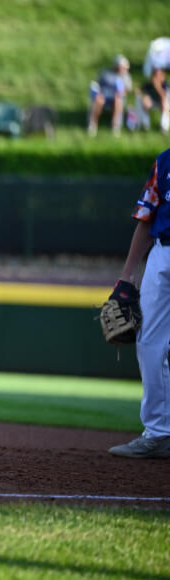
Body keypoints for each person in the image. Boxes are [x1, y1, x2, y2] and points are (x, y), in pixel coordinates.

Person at [108, 148, 170, 459]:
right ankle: (159, 433)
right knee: (149, 342)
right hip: (162, 252)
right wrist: (128, 274)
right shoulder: (165, 161)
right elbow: (147, 217)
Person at [87, 55, 132, 137]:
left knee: (118, 100)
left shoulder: (126, 77)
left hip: (117, 97)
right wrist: (97, 94)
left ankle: (115, 125)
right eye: (121, 67)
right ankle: (93, 124)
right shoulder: (105, 73)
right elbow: (97, 85)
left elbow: (127, 90)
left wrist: (120, 93)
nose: (122, 69)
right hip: (103, 95)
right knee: (99, 100)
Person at [139, 67, 169, 134]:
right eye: (155, 75)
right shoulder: (149, 84)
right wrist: (144, 96)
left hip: (164, 104)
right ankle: (145, 125)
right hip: (152, 103)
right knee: (144, 101)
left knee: (165, 103)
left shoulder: (165, 85)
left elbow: (164, 96)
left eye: (158, 75)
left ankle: (164, 127)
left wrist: (157, 86)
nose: (156, 77)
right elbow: (140, 90)